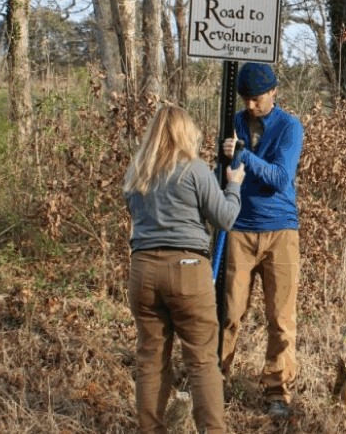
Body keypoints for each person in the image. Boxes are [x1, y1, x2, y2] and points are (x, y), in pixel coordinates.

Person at [124, 105, 245, 434]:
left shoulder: (136, 172)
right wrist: (234, 185)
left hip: (142, 270)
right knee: (202, 360)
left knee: (150, 360)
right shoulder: (193, 169)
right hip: (187, 269)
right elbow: (225, 218)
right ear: (185, 133)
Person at [220, 62, 304, 420]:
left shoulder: (289, 127)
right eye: (246, 100)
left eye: (256, 99)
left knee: (281, 317)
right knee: (228, 312)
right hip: (238, 228)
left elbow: (280, 178)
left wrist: (242, 156)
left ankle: (277, 392)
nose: (250, 106)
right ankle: (214, 381)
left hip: (281, 230)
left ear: (273, 92)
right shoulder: (233, 122)